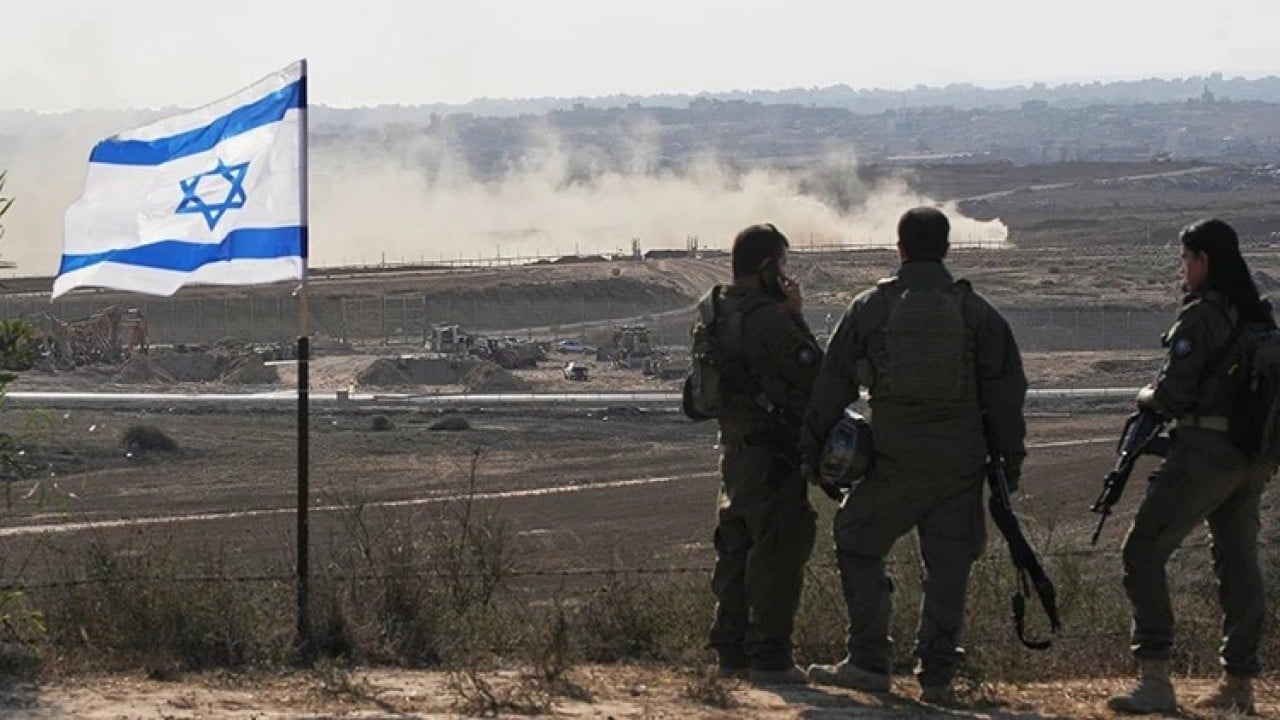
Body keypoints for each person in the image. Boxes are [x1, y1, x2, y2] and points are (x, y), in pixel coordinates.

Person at [800, 207, 1027, 703]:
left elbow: (831, 384)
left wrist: (813, 452)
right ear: (946, 248)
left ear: (899, 248)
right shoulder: (976, 312)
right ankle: (938, 677)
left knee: (856, 539)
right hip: (960, 467)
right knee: (948, 567)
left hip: (894, 463)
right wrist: (1010, 461)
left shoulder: (871, 307)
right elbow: (1008, 390)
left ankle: (868, 661)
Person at [1108, 218, 1273, 715]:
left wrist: (1145, 396)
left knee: (1142, 551)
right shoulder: (1257, 315)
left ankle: (1156, 676)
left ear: (1204, 261)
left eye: (1185, 259)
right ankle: (1239, 683)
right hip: (1251, 460)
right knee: (1238, 563)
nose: (1182, 268)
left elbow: (1172, 395)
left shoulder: (1203, 317)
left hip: (1206, 455)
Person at [703, 223, 823, 685]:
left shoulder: (714, 313)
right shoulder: (770, 320)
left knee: (735, 549)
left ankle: (730, 653)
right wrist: (795, 316)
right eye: (784, 265)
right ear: (767, 266)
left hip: (733, 452)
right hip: (772, 457)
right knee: (779, 549)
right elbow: (817, 373)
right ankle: (771, 657)